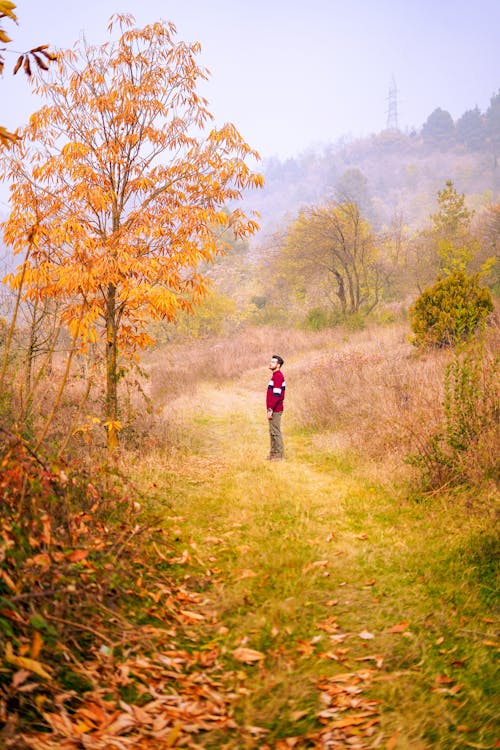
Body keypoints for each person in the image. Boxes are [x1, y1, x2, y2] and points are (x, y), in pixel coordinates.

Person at [266, 354, 286, 460]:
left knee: (275, 432)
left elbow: (277, 395)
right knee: (272, 431)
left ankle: (279, 455)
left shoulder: (278, 376)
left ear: (278, 365)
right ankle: (273, 454)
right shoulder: (275, 375)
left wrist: (270, 409)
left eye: (273, 362)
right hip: (273, 409)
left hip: (276, 409)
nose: (270, 363)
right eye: (271, 361)